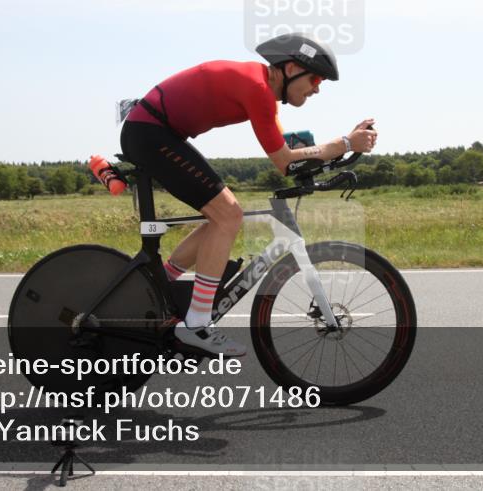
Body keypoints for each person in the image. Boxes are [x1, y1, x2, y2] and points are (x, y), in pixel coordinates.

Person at [119, 33, 377, 356]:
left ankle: (158, 288)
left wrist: (336, 153)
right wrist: (345, 143)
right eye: (315, 78)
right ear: (292, 68)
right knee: (228, 214)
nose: (318, 88)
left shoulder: (260, 88)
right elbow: (284, 161)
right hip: (150, 133)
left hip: (155, 131)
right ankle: (197, 324)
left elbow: (291, 153)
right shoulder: (257, 88)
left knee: (222, 216)